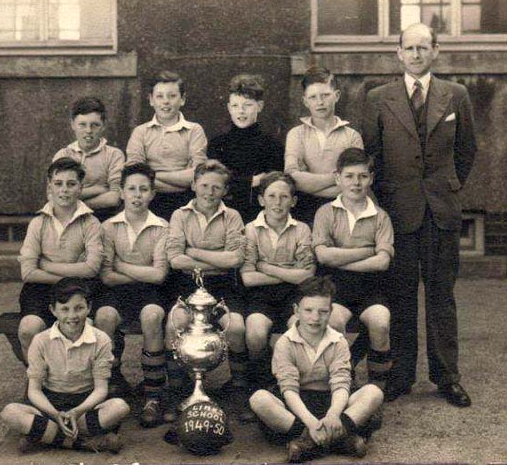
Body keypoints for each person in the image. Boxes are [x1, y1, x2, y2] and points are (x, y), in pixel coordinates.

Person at [362, 23, 476, 406]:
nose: (415, 54)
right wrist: (386, 201)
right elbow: (371, 153)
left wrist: (447, 187)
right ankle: (400, 375)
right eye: (408, 47)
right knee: (401, 295)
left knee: (442, 296)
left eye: (423, 47)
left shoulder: (455, 95)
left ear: (436, 51)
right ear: (398, 52)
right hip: (399, 211)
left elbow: (466, 151)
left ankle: (447, 377)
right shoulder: (379, 97)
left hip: (441, 211)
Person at [249, 276, 383, 462]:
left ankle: (308, 443)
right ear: (296, 311)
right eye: (308, 310)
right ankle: (340, 439)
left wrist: (334, 414)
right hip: (298, 406)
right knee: (259, 399)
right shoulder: (285, 343)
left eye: (322, 311)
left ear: (330, 312)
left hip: (333, 402)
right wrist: (311, 422)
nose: (315, 317)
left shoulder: (338, 341)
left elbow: (341, 384)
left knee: (373, 393)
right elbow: (289, 390)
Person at [1, 277, 130, 453]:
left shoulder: (101, 340)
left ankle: (45, 437)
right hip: (50, 405)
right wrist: (55, 414)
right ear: (53, 310)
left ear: (89, 308)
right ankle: (82, 443)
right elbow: (34, 391)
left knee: (119, 408)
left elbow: (101, 390)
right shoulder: (41, 340)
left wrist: (76, 412)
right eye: (64, 309)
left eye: (79, 308)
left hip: (84, 405)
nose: (72, 316)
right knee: (9, 412)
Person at [164, 159, 249, 421]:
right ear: (193, 185)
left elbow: (235, 259)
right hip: (187, 284)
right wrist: (214, 257)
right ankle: (177, 388)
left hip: (223, 285)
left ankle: (240, 388)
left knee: (236, 327)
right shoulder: (180, 215)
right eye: (204, 185)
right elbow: (175, 259)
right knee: (174, 323)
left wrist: (194, 252)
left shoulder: (232, 216)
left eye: (216, 187)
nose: (209, 192)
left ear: (224, 191)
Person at [95, 162, 170, 428]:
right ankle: (109, 382)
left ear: (152, 194)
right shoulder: (108, 227)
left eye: (143, 189)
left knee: (152, 315)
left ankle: (153, 394)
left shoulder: (161, 226)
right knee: (104, 315)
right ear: (122, 192)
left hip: (150, 291)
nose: (137, 195)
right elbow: (106, 276)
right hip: (115, 290)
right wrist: (142, 270)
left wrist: (122, 266)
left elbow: (159, 275)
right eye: (132, 189)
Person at [312, 148, 393, 391]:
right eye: (349, 176)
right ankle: (341, 383)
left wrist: (340, 258)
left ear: (371, 178)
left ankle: (376, 388)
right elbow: (323, 256)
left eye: (362, 176)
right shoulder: (325, 212)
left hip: (371, 287)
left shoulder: (380, 216)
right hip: (336, 287)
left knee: (380, 322)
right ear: (338, 178)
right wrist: (368, 250)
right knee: (334, 321)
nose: (356, 183)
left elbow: (383, 263)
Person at [17, 157, 103, 363]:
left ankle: (79, 385)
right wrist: (73, 271)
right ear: (50, 188)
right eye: (58, 184)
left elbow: (91, 268)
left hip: (81, 290)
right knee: (29, 329)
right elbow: (28, 272)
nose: (64, 190)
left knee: (83, 330)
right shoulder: (38, 223)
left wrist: (47, 265)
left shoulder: (91, 223)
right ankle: (38, 383)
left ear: (80, 188)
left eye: (71, 184)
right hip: (41, 288)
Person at [241, 172, 316, 392]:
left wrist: (264, 267)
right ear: (261, 200)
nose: (277, 202)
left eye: (284, 197)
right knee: (255, 330)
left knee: (300, 327)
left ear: (293, 201)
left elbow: (307, 275)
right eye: (271, 196)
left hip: (294, 295)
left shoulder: (301, 229)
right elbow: (247, 277)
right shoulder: (251, 229)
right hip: (260, 295)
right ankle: (261, 382)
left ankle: (300, 385)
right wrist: (287, 271)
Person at [284, 67, 363, 226]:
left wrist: (309, 182)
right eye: (313, 97)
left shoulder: (352, 136)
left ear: (337, 96)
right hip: (304, 211)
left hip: (343, 209)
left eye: (325, 95)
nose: (320, 102)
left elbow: (355, 181)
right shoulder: (296, 134)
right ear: (305, 101)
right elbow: (293, 178)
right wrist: (337, 177)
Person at [126, 70, 208, 220]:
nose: (165, 101)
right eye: (159, 96)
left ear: (182, 99)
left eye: (172, 96)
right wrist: (181, 178)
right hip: (149, 202)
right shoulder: (140, 132)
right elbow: (135, 176)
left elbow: (197, 175)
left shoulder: (194, 130)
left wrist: (152, 176)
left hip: (186, 201)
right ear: (151, 100)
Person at [208, 74, 284, 222]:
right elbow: (215, 183)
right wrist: (251, 181)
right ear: (229, 108)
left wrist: (235, 182)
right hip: (222, 217)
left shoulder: (272, 145)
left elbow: (272, 184)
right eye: (235, 105)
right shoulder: (217, 144)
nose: (241, 111)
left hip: (261, 218)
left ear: (260, 106)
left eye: (247, 105)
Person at [53, 97, 124, 222]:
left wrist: (72, 201)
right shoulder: (63, 155)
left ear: (103, 126)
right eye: (82, 125)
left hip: (105, 219)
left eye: (95, 125)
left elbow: (114, 198)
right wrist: (99, 189)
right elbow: (53, 197)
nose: (88, 131)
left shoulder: (114, 155)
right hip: (69, 220)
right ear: (73, 125)